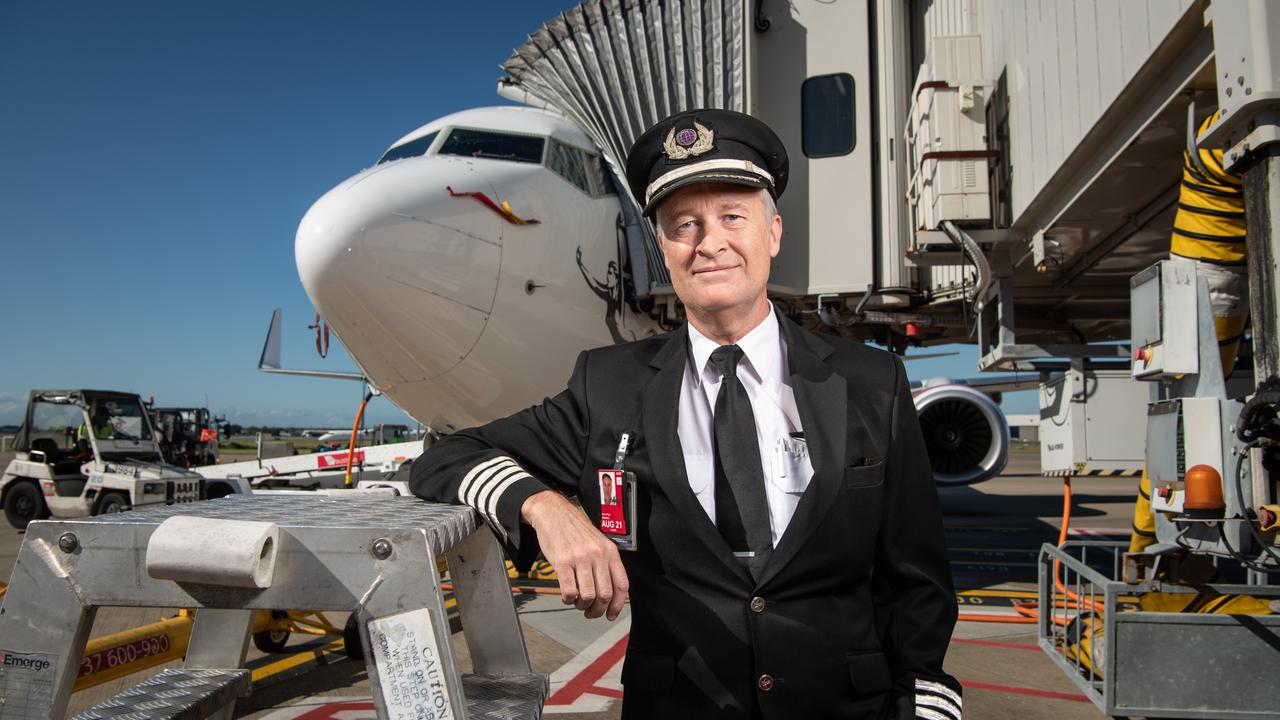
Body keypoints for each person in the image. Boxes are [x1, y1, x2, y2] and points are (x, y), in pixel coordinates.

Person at [411, 108, 960, 720]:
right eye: (684, 225)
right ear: (666, 250)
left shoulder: (869, 381)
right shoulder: (610, 385)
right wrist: (547, 508)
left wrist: (925, 697)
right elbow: (445, 457)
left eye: (732, 217)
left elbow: (918, 578)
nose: (710, 242)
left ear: (773, 233)